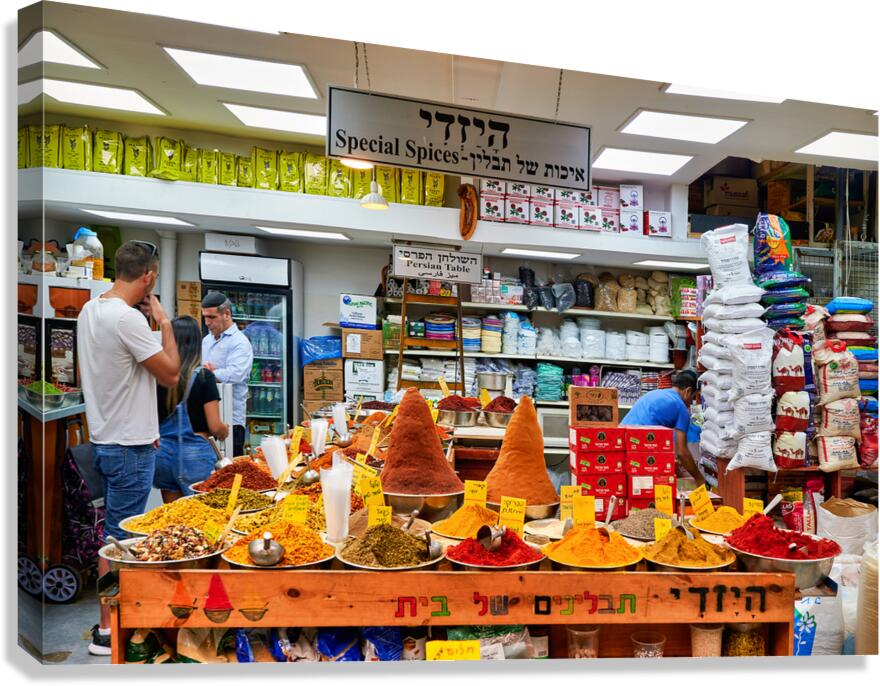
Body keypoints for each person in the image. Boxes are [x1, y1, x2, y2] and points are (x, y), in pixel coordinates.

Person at [77, 241, 180, 656]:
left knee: (113, 534)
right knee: (119, 541)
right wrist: (165, 324)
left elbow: (123, 375)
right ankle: (109, 629)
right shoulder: (128, 319)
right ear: (149, 277)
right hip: (129, 448)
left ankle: (110, 621)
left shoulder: (90, 310)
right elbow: (171, 375)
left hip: (107, 438)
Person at [155, 316, 230, 503]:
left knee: (174, 514)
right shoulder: (204, 377)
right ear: (196, 343)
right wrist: (225, 430)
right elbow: (215, 427)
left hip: (162, 455)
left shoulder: (159, 377)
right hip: (195, 456)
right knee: (200, 512)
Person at [620, 369, 704, 485]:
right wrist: (699, 478)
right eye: (693, 398)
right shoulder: (681, 408)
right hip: (638, 452)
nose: (691, 403)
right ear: (688, 391)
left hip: (621, 445)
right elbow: (682, 452)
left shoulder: (655, 393)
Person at [201, 290, 254, 456]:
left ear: (227, 314)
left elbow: (237, 374)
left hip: (231, 420)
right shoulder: (206, 340)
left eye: (212, 317)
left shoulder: (240, 342)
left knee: (230, 465)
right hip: (208, 417)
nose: (207, 322)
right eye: (205, 317)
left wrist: (210, 373)